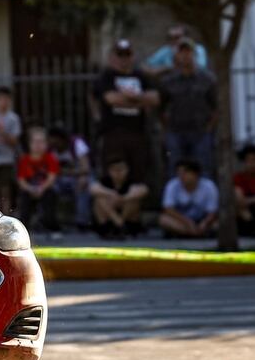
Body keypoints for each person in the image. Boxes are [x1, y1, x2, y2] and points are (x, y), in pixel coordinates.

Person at [93, 39, 159, 183]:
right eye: (120, 55)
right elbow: (111, 99)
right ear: (113, 57)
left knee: (138, 173)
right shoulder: (107, 76)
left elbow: (154, 98)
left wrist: (132, 97)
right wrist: (138, 101)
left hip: (137, 132)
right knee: (113, 174)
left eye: (127, 55)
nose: (123, 59)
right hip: (113, 133)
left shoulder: (141, 76)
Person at [160, 38, 217, 177]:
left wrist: (209, 128)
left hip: (201, 133)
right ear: (176, 56)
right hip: (176, 132)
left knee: (203, 170)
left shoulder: (207, 79)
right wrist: (167, 127)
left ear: (194, 54)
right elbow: (161, 107)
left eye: (188, 51)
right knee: (175, 169)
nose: (185, 55)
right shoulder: (168, 81)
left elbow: (216, 106)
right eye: (182, 52)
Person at [89, 156, 148, 239]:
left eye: (121, 169)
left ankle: (121, 226)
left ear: (127, 169)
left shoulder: (132, 181)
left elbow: (143, 190)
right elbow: (93, 189)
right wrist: (111, 194)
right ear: (109, 171)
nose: (118, 172)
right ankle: (118, 225)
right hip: (108, 220)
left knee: (134, 200)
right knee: (99, 199)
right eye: (115, 170)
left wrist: (124, 198)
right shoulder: (104, 181)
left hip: (128, 219)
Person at [16, 127, 61, 236]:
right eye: (35, 142)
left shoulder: (50, 158)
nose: (38, 145)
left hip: (46, 189)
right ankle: (23, 231)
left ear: (46, 144)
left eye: (41, 142)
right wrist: (30, 189)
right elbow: (21, 180)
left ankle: (53, 228)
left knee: (50, 200)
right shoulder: (24, 160)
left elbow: (52, 177)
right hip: (29, 189)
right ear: (30, 144)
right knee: (24, 203)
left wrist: (42, 188)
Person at [160, 159, 218, 238]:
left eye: (185, 173)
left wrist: (204, 223)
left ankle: (191, 233)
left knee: (218, 223)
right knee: (164, 220)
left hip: (203, 220)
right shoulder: (172, 185)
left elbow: (212, 211)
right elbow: (168, 209)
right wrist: (187, 222)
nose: (181, 176)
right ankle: (194, 233)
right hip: (181, 221)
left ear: (196, 174)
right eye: (179, 173)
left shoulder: (209, 186)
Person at [48, 126, 92, 229]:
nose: (54, 145)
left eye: (56, 142)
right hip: (58, 179)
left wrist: (67, 172)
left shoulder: (77, 144)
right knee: (49, 187)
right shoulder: (50, 148)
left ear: (62, 140)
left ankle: (82, 222)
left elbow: (86, 169)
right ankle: (50, 221)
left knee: (83, 184)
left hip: (77, 177)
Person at [234, 145, 255, 236]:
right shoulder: (238, 178)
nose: (252, 164)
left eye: (254, 160)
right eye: (248, 160)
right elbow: (240, 201)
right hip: (245, 213)